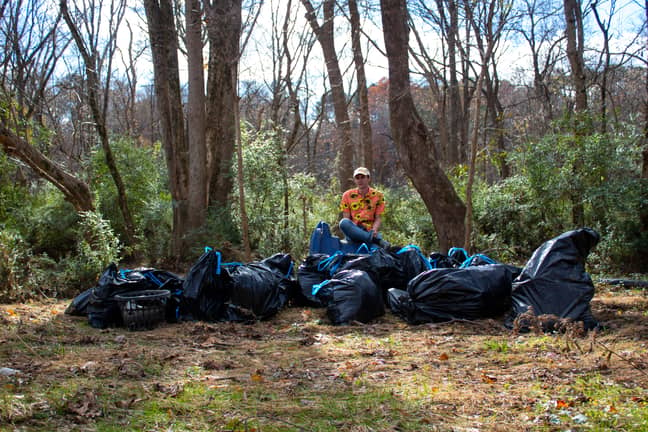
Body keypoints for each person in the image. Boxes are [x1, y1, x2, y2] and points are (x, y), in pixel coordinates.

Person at [339, 167, 391, 249]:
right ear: (354, 180)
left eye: (362, 177)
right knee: (343, 223)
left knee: (376, 254)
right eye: (357, 178)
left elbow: (378, 218)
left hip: (370, 230)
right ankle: (375, 240)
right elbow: (347, 218)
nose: (360, 180)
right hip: (355, 231)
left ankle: (371, 238)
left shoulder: (378, 196)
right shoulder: (347, 195)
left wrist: (374, 230)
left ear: (368, 178)